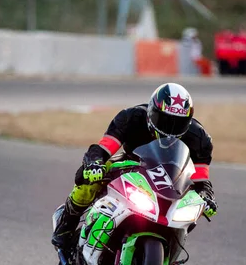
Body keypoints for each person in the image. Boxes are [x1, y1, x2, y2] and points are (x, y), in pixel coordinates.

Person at [51, 82, 218, 250]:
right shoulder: (131, 118)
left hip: (171, 181)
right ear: (152, 113)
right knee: (87, 179)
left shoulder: (199, 139)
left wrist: (206, 196)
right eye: (165, 121)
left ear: (188, 122)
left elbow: (201, 181)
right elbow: (101, 150)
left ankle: (169, 249)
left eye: (178, 123)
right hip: (130, 167)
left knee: (191, 211)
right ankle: (66, 225)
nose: (170, 130)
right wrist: (95, 164)